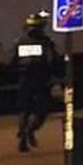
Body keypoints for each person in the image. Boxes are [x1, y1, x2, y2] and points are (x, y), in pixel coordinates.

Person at [13, 11, 60, 152]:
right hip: (41, 81)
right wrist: (57, 77)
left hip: (24, 80)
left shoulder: (20, 42)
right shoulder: (46, 43)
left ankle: (23, 135)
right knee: (42, 110)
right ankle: (30, 130)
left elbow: (13, 62)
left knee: (24, 110)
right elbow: (54, 61)